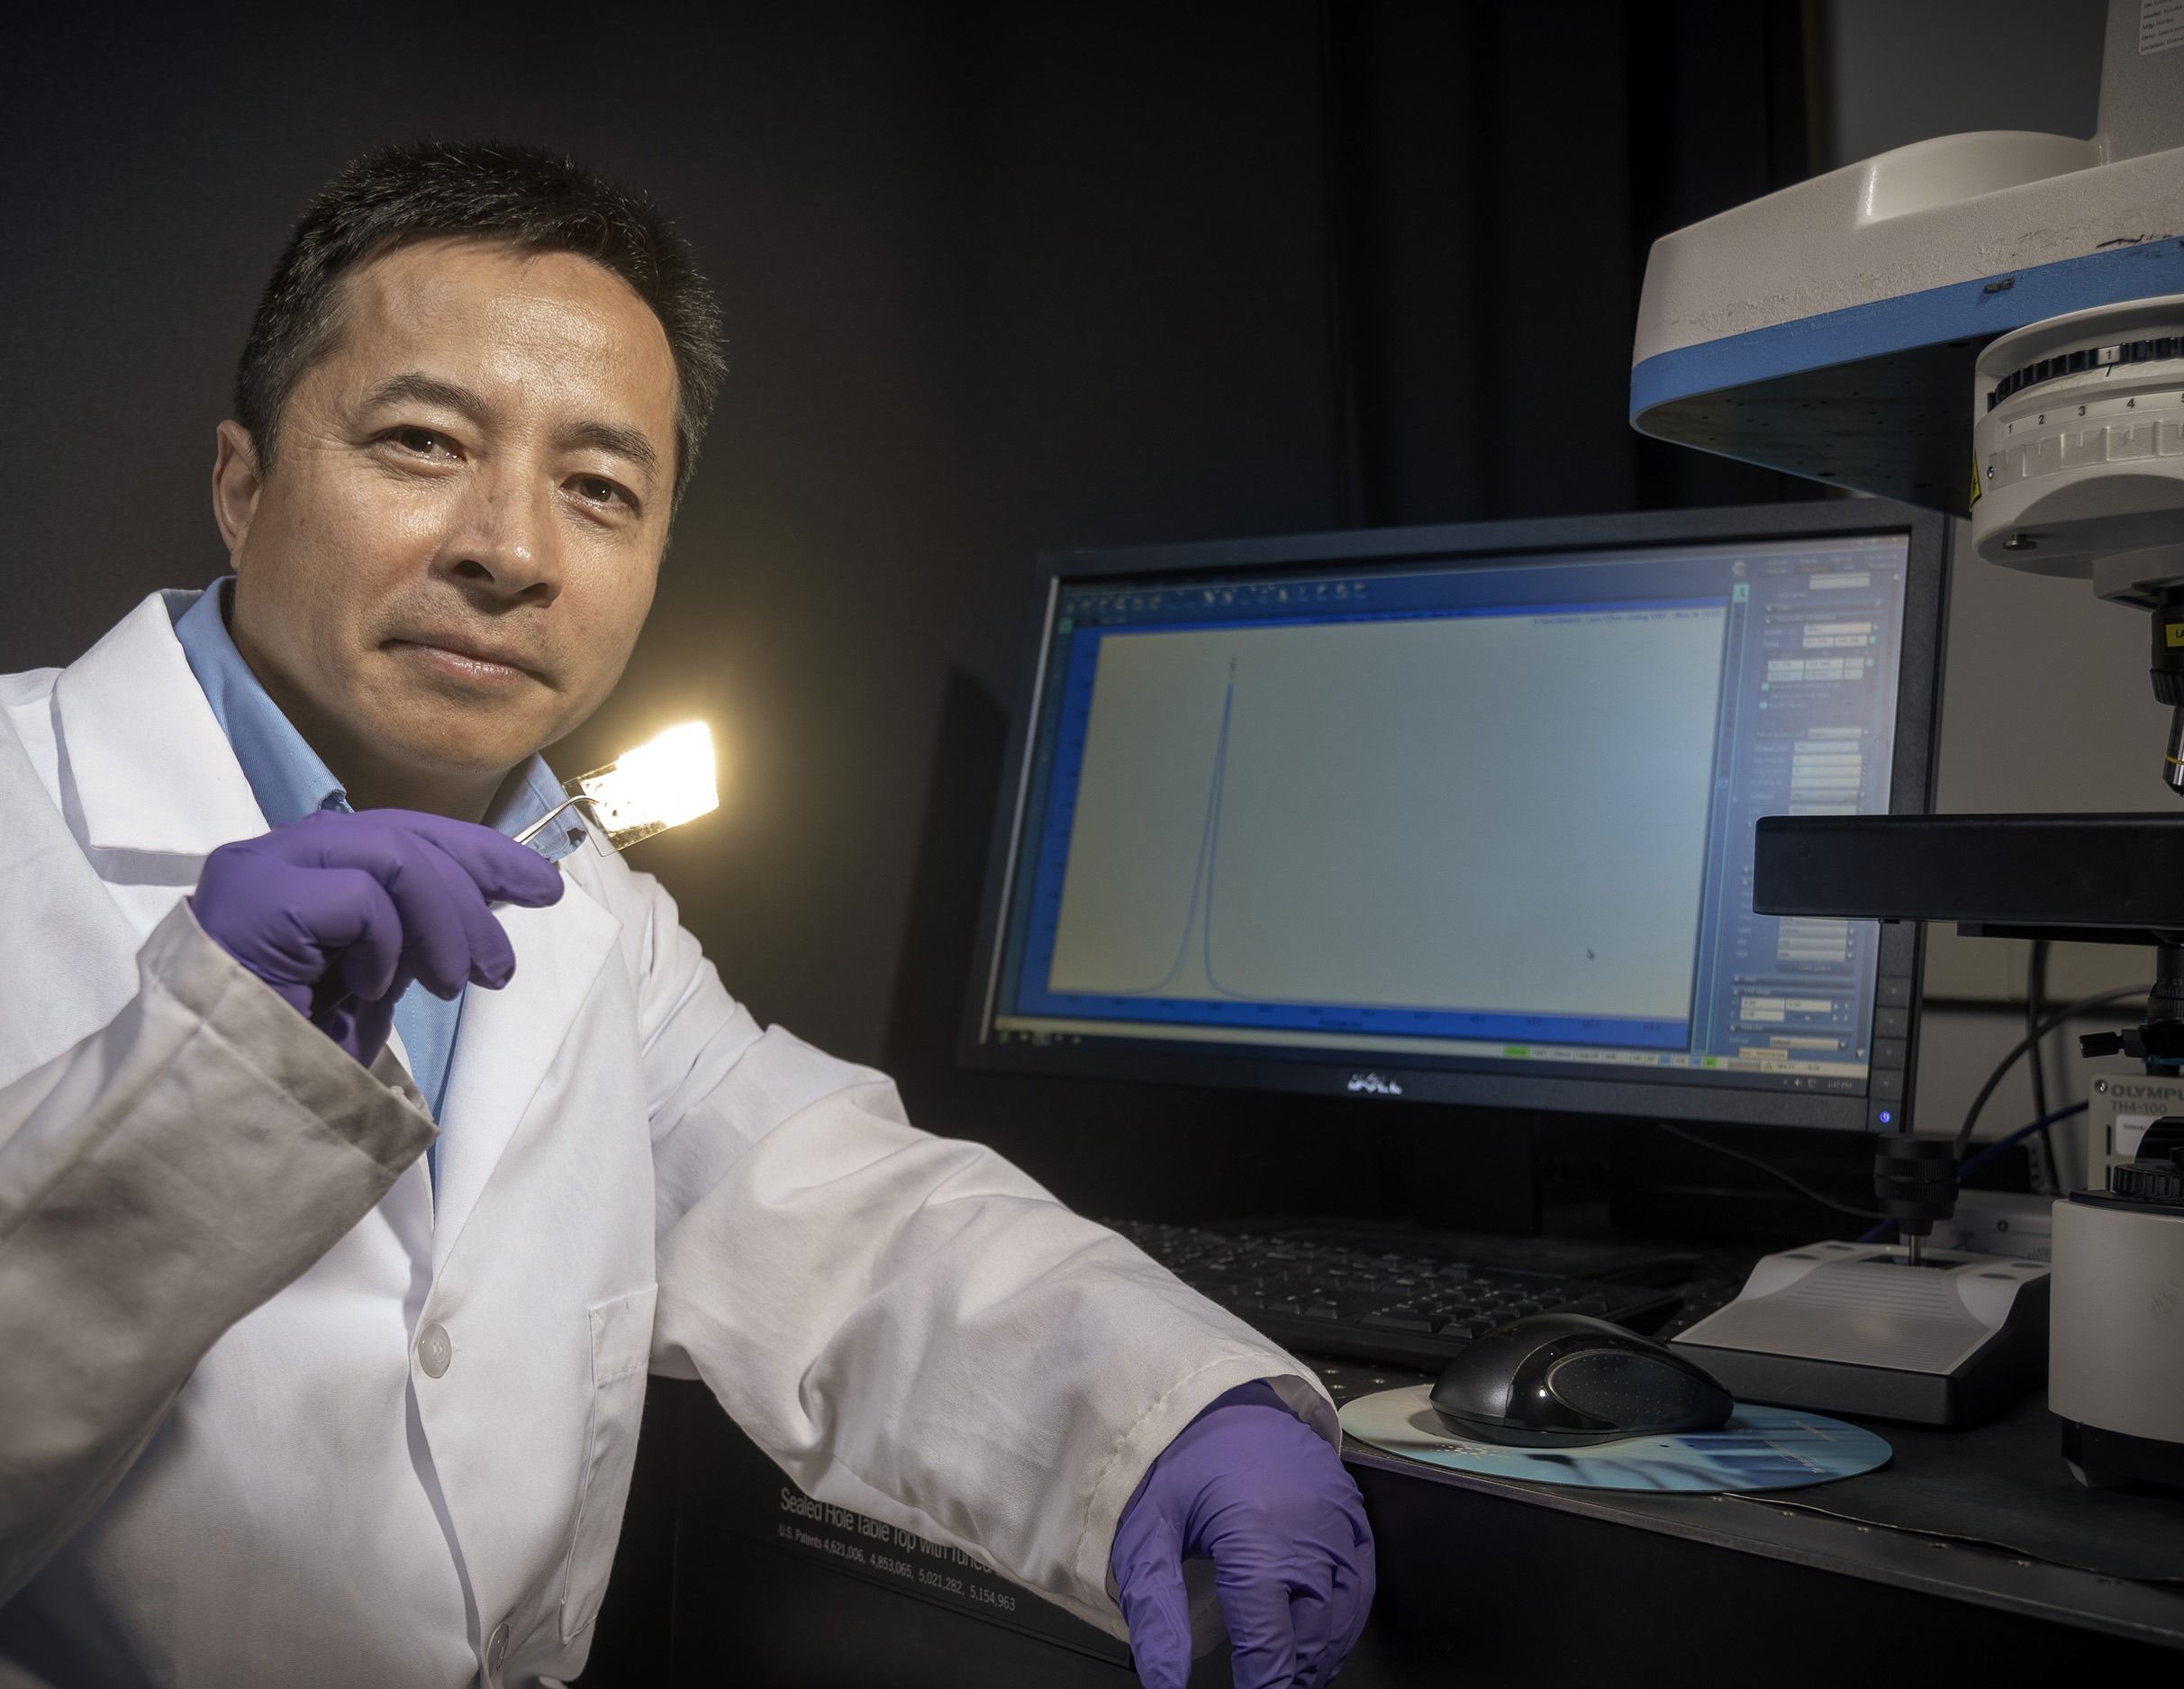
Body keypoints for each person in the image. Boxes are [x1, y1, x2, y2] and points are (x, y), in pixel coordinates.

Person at [0, 142, 1373, 1688]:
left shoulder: (590, 912)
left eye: (597, 489)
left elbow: (845, 1220)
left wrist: (1175, 1412)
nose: (511, 552)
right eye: (422, 441)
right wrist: (196, 1074)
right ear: (242, 488)